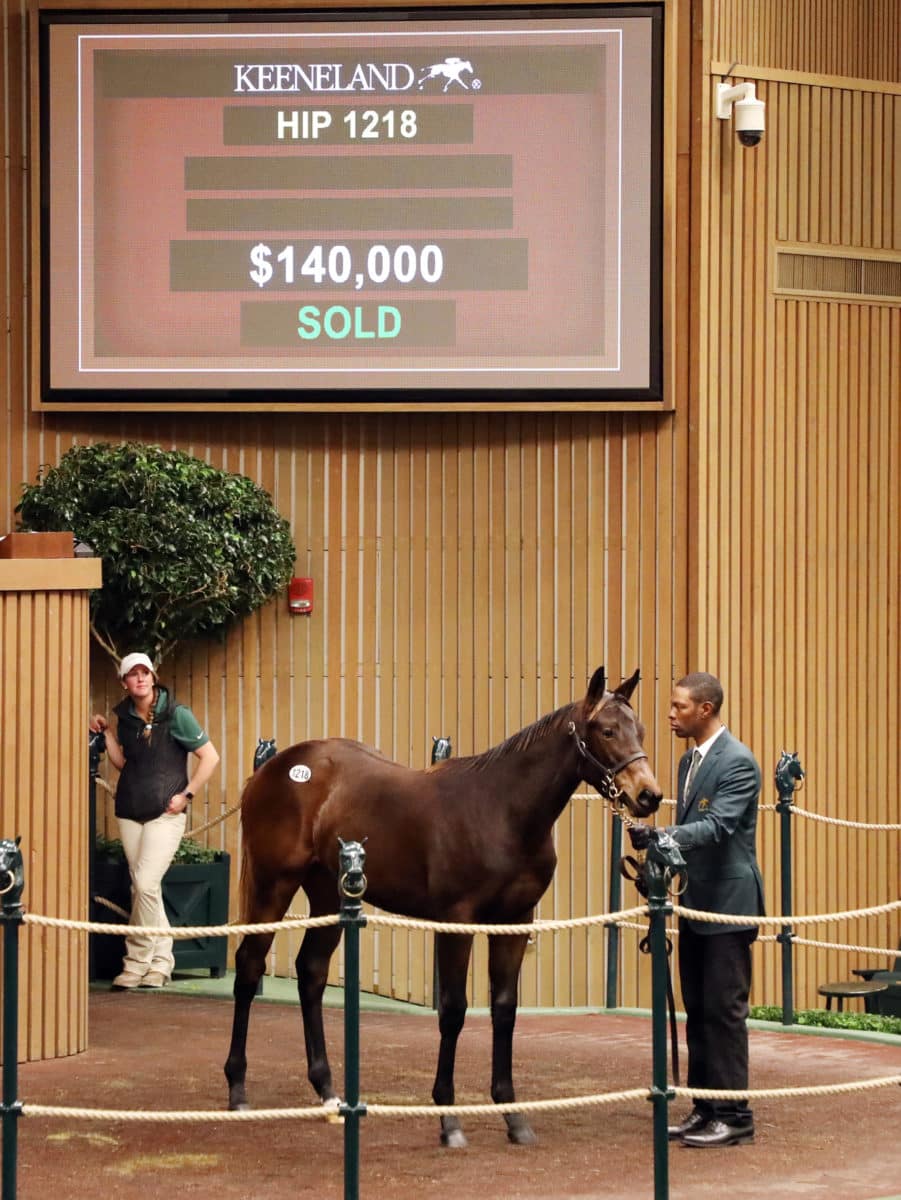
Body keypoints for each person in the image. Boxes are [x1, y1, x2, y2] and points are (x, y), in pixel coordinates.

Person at [628, 672, 764, 1147]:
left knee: (725, 1011)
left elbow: (719, 826)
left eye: (678, 706)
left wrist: (663, 836)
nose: (670, 714)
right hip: (696, 905)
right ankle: (706, 1109)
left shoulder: (739, 762)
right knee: (699, 1010)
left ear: (705, 710)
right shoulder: (689, 762)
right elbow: (696, 828)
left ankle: (735, 1116)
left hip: (729, 906)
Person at [90, 652, 220, 991]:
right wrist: (105, 734)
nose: (140, 679)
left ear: (153, 675)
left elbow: (210, 756)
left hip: (167, 812)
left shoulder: (177, 714)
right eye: (132, 675)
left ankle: (136, 962)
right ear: (124, 682)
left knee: (145, 883)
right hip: (130, 809)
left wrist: (187, 794)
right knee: (143, 887)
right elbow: (123, 763)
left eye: (144, 672)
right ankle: (161, 962)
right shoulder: (126, 717)